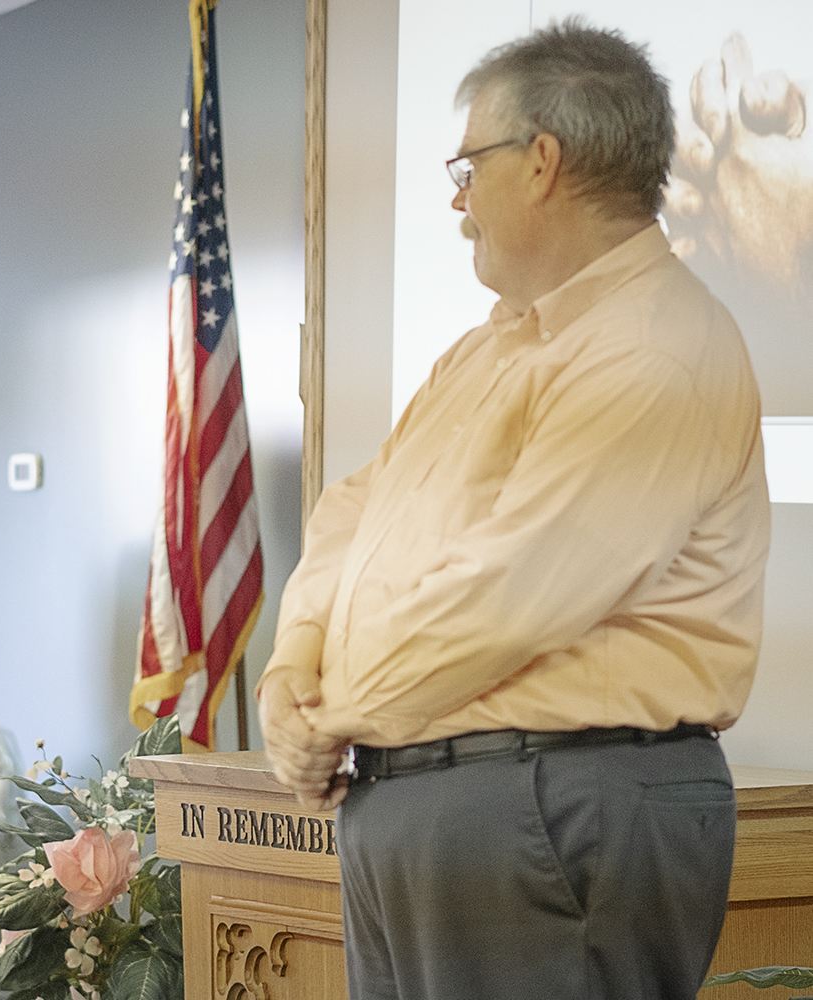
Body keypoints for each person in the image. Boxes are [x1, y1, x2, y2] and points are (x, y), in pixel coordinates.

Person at [258, 20, 770, 1000]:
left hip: (551, 804)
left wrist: (332, 713)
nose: (457, 202)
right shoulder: (482, 352)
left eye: (468, 165)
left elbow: (514, 592)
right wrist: (288, 678)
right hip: (437, 802)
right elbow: (350, 515)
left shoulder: (653, 349)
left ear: (544, 162)